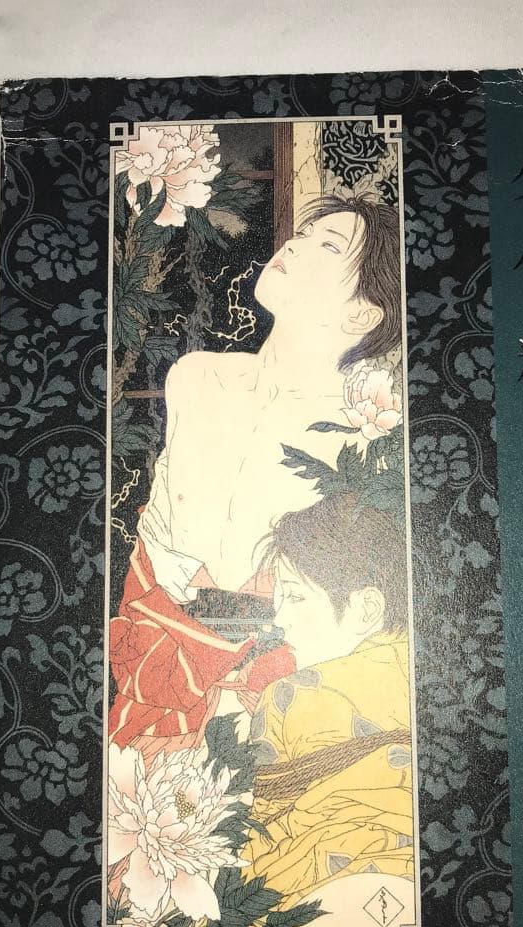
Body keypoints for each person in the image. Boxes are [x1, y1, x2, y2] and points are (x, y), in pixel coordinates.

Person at [109, 194, 402, 750]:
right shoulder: (195, 377)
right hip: (153, 660)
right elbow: (156, 540)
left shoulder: (367, 429)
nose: (294, 244)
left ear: (362, 314)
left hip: (280, 691)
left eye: (328, 247)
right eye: (303, 233)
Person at [239, 492, 414, 916]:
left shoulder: (289, 696)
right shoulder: (426, 682)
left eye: (296, 597)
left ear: (366, 608)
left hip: (309, 902)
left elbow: (256, 850)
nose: (279, 619)